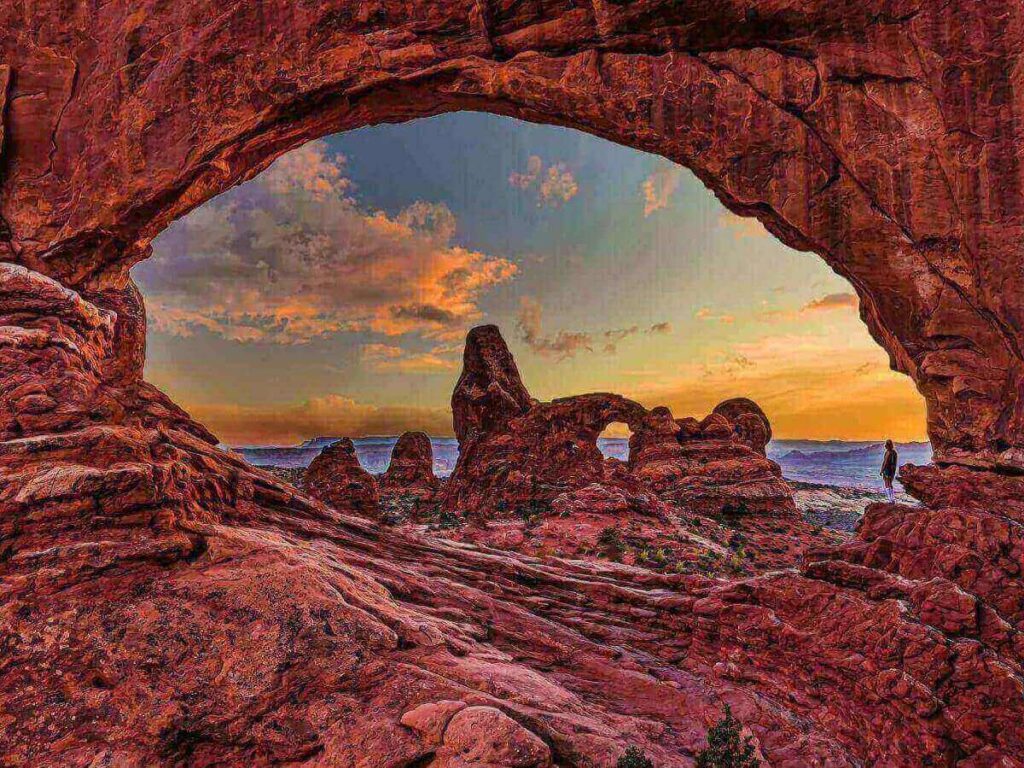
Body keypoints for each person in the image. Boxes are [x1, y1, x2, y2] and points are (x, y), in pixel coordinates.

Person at [880, 439, 898, 503]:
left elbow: (885, 462)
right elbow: (894, 463)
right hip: (891, 470)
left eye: (886, 445)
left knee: (887, 483)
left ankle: (890, 499)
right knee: (889, 483)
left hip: (887, 470)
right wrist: (893, 471)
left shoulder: (889, 452)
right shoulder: (894, 452)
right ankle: (892, 499)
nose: (885, 446)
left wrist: (882, 470)